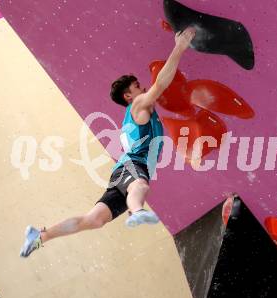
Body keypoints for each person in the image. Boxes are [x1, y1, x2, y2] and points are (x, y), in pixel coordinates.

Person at [20, 27, 196, 258]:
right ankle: (136, 211)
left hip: (123, 171)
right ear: (128, 96)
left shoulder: (136, 114)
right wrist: (180, 47)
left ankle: (41, 236)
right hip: (133, 166)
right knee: (140, 186)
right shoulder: (138, 106)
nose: (143, 88)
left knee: (94, 220)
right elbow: (161, 84)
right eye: (137, 87)